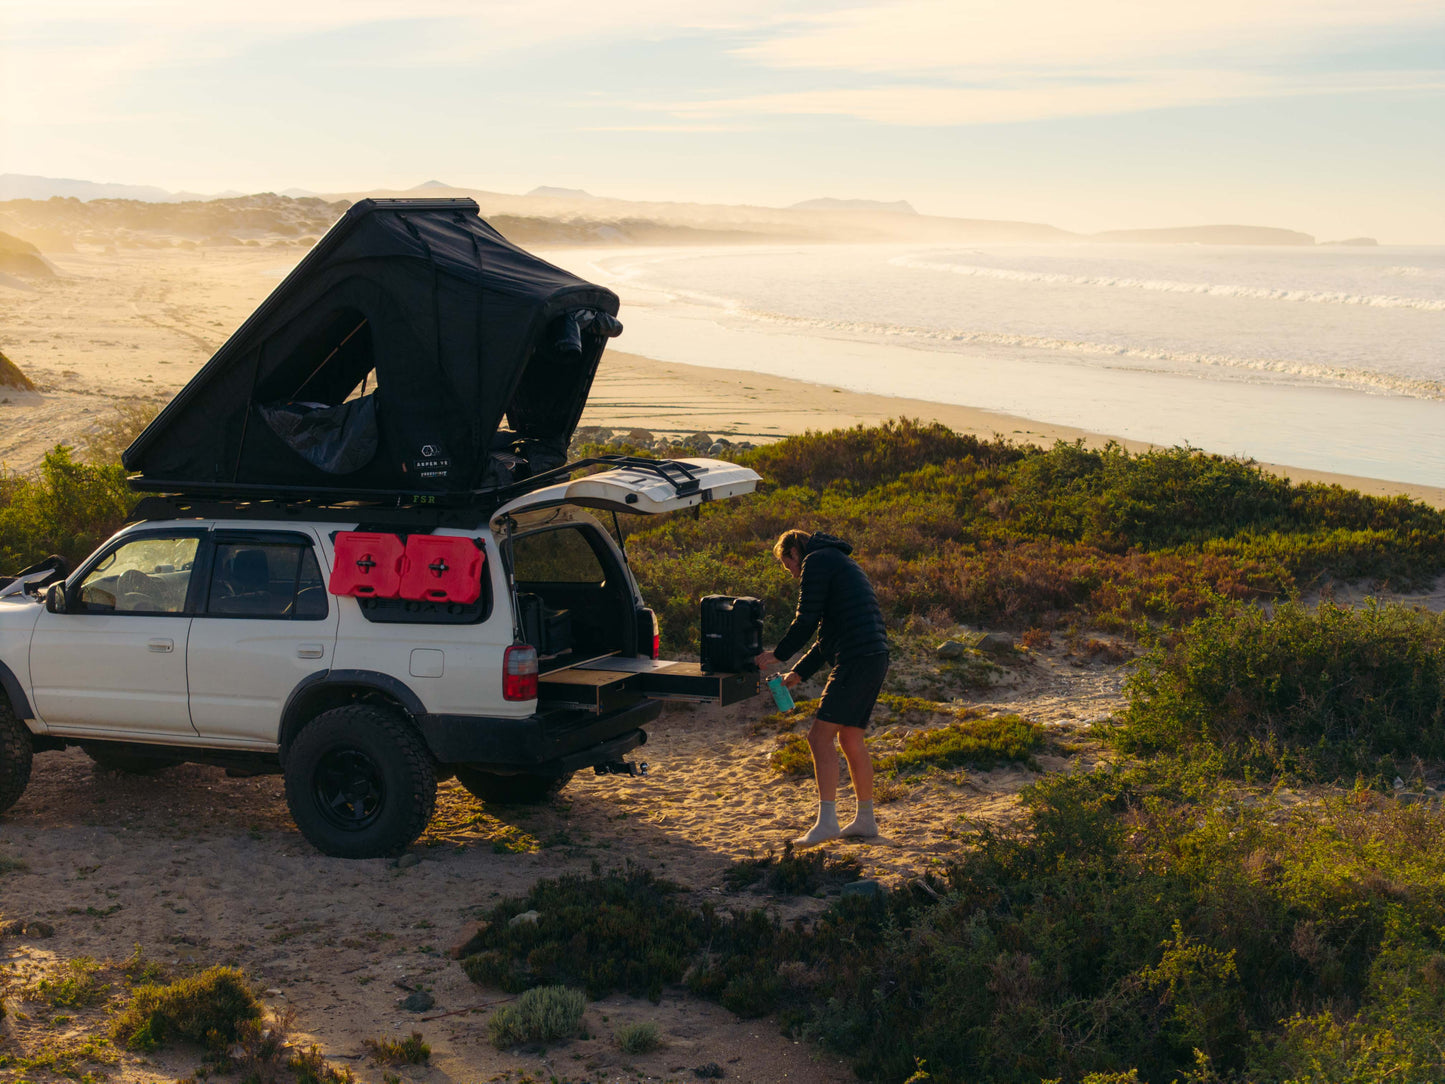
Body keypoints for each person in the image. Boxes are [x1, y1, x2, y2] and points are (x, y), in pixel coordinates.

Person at [756, 529, 889, 845]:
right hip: (875, 655)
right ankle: (866, 821)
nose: (793, 574)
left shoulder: (816, 561)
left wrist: (778, 654)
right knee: (850, 738)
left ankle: (828, 822)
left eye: (789, 567)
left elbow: (806, 620)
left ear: (793, 554)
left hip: (856, 657)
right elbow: (827, 637)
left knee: (818, 737)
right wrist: (798, 672)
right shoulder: (838, 561)